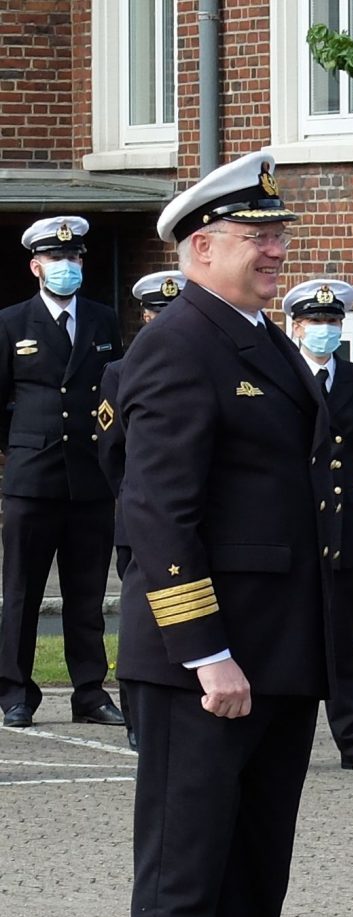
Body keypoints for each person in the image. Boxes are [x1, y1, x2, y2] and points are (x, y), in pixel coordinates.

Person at [115, 150, 353, 917]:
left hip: (279, 651)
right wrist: (204, 648)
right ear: (200, 247)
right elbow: (158, 512)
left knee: (257, 863)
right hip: (205, 660)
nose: (275, 251)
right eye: (257, 238)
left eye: (278, 235)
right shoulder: (179, 345)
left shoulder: (255, 338)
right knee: (186, 862)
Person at [0, 215, 125, 730]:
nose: (67, 267)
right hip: (32, 476)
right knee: (22, 591)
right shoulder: (11, 322)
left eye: (74, 259)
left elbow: (115, 393)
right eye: (56, 260)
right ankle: (15, 692)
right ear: (36, 266)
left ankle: (90, 692)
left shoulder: (102, 319)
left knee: (86, 593)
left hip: (89, 479)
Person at [285, 278, 353, 771]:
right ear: (296, 327)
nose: (325, 330)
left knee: (344, 639)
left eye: (333, 322)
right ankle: (287, 744)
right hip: (292, 528)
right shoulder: (281, 375)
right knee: (290, 637)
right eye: (315, 322)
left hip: (344, 529)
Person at [93, 271, 185, 752]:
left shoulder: (202, 366)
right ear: (145, 317)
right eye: (157, 313)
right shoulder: (119, 372)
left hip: (192, 523)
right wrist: (134, 498)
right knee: (140, 624)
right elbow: (111, 451)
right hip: (138, 519)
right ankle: (136, 717)